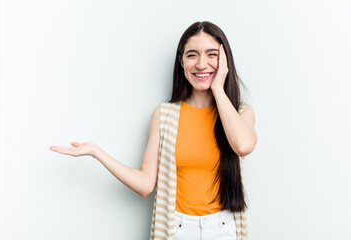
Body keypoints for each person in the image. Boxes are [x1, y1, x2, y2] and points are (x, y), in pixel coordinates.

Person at [50, 21, 257, 240]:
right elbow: (145, 185)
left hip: (223, 228)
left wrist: (217, 87)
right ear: (181, 61)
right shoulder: (164, 115)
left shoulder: (241, 112)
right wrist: (96, 152)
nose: (201, 64)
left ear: (224, 61)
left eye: (211, 54)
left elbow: (243, 145)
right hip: (177, 228)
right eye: (192, 55)